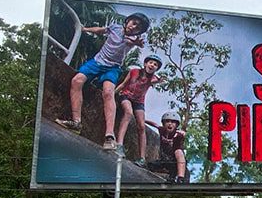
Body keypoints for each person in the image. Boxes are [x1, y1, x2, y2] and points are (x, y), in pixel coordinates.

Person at [55, 12, 151, 150]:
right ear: (128, 21)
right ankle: (76, 122)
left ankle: (109, 136)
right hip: (97, 62)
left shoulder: (132, 39)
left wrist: (137, 42)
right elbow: (100, 30)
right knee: (77, 80)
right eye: (133, 23)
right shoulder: (115, 28)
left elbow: (137, 43)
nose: (133, 27)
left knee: (107, 92)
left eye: (137, 28)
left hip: (112, 68)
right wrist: (85, 29)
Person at [114, 55, 162, 166]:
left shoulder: (153, 79)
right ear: (145, 64)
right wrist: (113, 94)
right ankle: (119, 145)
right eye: (151, 63)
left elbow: (154, 81)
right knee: (128, 113)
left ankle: (142, 158)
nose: (152, 65)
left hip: (139, 101)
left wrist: (158, 81)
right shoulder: (134, 71)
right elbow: (123, 84)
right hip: (126, 95)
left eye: (155, 65)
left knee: (141, 126)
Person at [146, 111, 187, 183]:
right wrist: (144, 120)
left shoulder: (178, 135)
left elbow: (183, 134)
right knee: (149, 166)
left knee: (179, 152)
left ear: (177, 125)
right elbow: (154, 124)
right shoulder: (162, 130)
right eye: (167, 121)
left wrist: (183, 133)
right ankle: (165, 172)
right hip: (164, 161)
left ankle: (180, 178)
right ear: (163, 123)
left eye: (173, 122)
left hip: (175, 163)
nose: (170, 124)